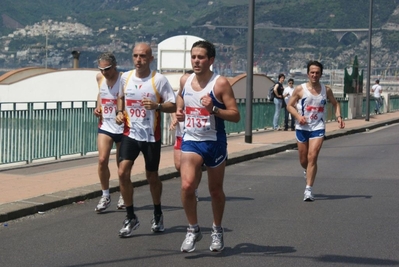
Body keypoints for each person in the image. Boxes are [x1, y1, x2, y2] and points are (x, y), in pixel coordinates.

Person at [176, 40, 240, 253]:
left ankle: (217, 229)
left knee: (215, 191)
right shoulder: (186, 80)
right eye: (193, 56)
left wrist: (214, 109)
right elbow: (179, 99)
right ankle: (193, 229)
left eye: (201, 57)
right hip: (191, 140)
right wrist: (176, 110)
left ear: (211, 60)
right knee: (187, 186)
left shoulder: (220, 84)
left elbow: (235, 115)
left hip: (214, 142)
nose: (196, 60)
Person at [115, 43, 176, 237]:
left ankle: (157, 213)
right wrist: (118, 112)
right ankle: (130, 216)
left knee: (152, 177)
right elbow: (120, 97)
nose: (138, 60)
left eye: (143, 56)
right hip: (130, 133)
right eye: (135, 56)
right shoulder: (125, 77)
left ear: (151, 59)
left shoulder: (158, 80)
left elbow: (172, 105)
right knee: (123, 172)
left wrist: (157, 106)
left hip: (151, 137)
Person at [287, 61, 345, 202]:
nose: (314, 75)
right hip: (302, 127)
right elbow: (289, 106)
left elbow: (336, 103)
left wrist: (339, 117)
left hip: (318, 127)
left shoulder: (326, 90)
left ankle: (308, 189)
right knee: (303, 159)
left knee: (312, 156)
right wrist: (298, 116)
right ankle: (307, 170)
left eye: (317, 72)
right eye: (312, 72)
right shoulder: (300, 89)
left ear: (320, 74)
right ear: (308, 74)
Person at [93, 52, 125, 212]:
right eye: (101, 69)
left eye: (107, 69)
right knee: (102, 159)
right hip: (105, 125)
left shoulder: (124, 79)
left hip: (122, 126)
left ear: (114, 66)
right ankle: (105, 195)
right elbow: (100, 94)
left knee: (121, 165)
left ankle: (123, 193)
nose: (104, 72)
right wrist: (97, 107)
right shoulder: (99, 78)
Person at [169, 70, 201, 202]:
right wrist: (174, 119)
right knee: (178, 165)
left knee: (194, 165)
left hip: (193, 135)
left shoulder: (199, 93)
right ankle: (189, 184)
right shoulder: (179, 94)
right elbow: (174, 109)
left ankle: (192, 188)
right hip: (180, 134)